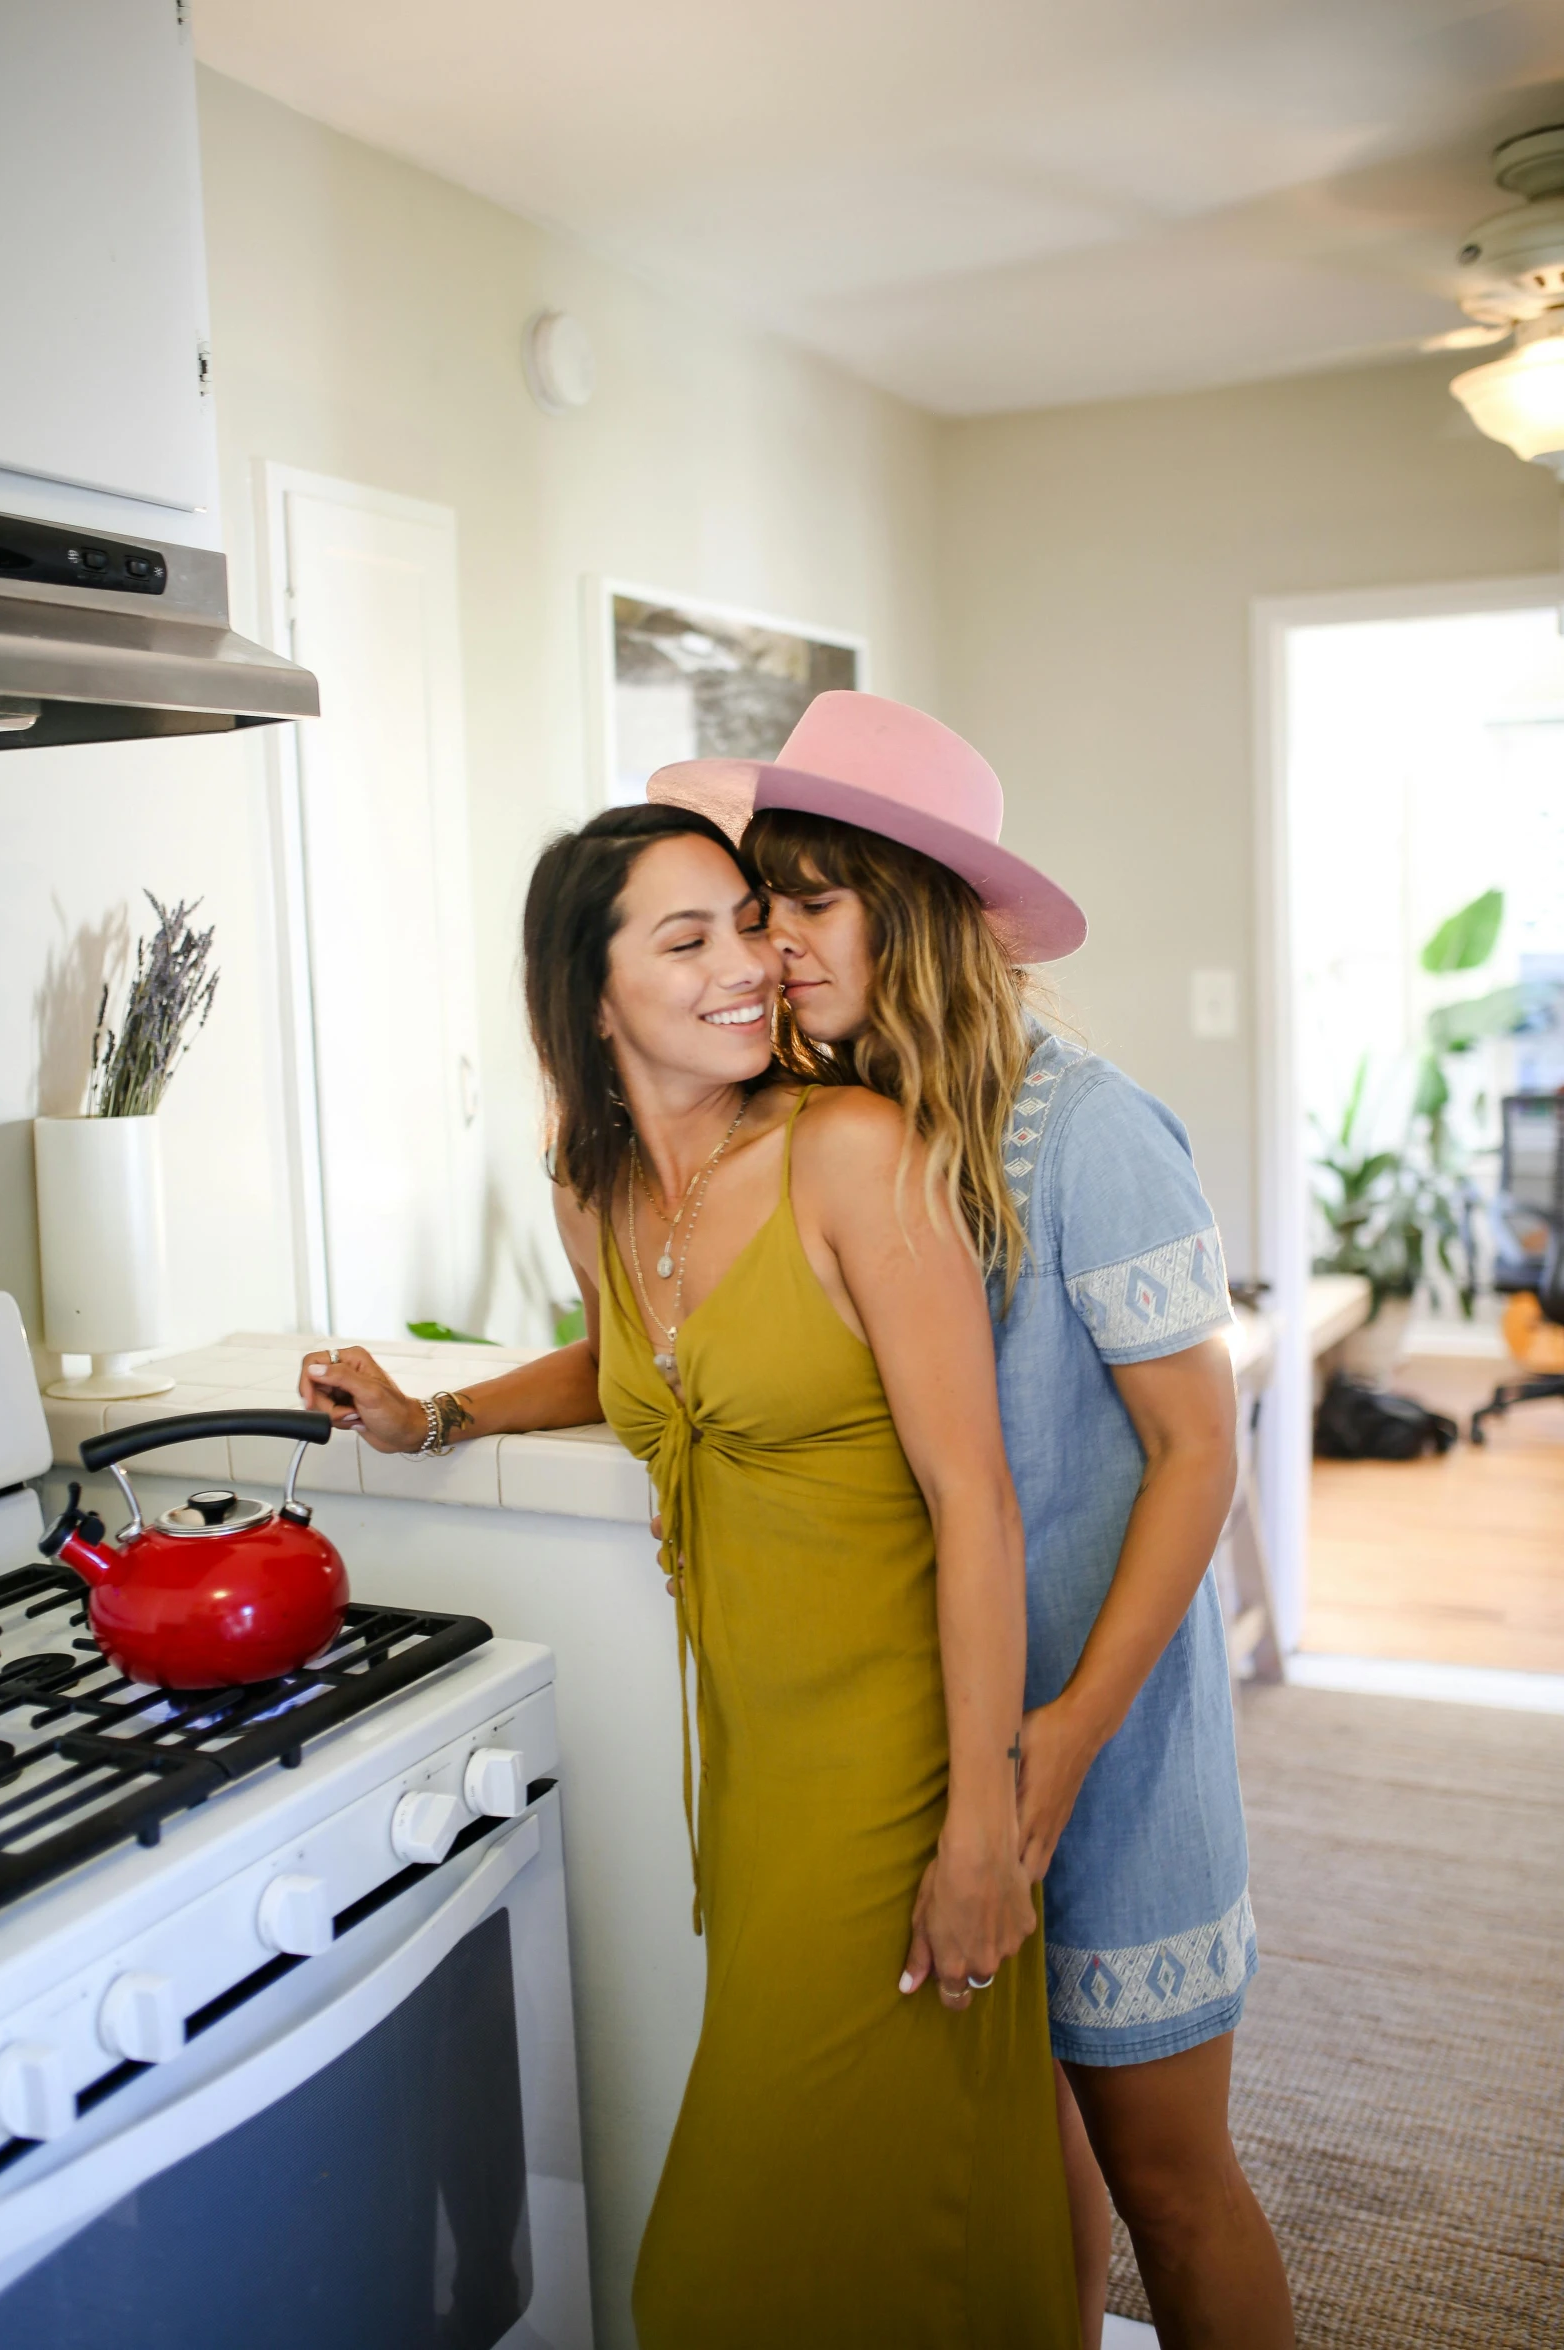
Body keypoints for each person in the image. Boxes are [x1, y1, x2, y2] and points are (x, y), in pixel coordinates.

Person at [301, 802, 1080, 2350]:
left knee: (718, 2274)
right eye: (691, 938)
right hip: (743, 1767)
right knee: (878, 2222)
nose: (750, 963)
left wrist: (985, 1825)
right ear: (591, 998)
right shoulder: (592, 1187)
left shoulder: (853, 1153)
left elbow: (972, 1500)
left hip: (899, 1765)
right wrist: (437, 1410)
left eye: (745, 923)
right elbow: (629, 1359)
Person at [646, 690, 1296, 2350]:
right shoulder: (832, 1135)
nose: (771, 943)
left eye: (808, 897)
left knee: (1169, 2177)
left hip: (1110, 1743)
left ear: (915, 902)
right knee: (1028, 2165)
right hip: (936, 1765)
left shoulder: (1088, 1131)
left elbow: (1195, 1457)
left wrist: (1063, 1744)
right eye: (755, 901)